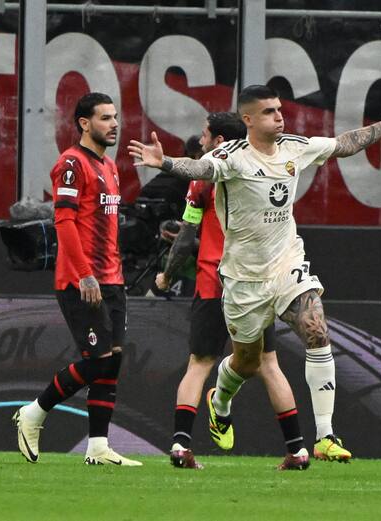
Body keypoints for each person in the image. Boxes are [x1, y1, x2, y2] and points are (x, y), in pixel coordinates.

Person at [130, 85, 381, 467]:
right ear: (248, 119)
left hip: (286, 264)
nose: (279, 116)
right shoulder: (231, 156)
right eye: (269, 111)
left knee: (315, 327)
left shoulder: (294, 147)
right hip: (242, 279)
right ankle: (220, 399)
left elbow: (345, 144)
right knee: (247, 362)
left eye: (279, 109)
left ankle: (325, 436)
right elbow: (201, 169)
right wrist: (166, 163)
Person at [156, 112, 315, 470]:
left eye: (204, 135)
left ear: (218, 140)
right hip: (256, 284)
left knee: (199, 364)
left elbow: (186, 236)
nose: (200, 141)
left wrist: (166, 275)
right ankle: (297, 450)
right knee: (268, 364)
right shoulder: (265, 171)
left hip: (214, 283)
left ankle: (181, 446)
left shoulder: (203, 180)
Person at [12, 92, 141, 467]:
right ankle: (34, 412)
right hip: (80, 281)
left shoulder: (110, 166)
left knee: (112, 363)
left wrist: (114, 273)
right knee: (98, 361)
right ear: (84, 123)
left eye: (115, 117)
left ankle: (98, 447)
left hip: (112, 279)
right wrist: (86, 275)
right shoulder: (71, 163)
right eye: (105, 118)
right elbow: (64, 221)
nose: (114, 124)